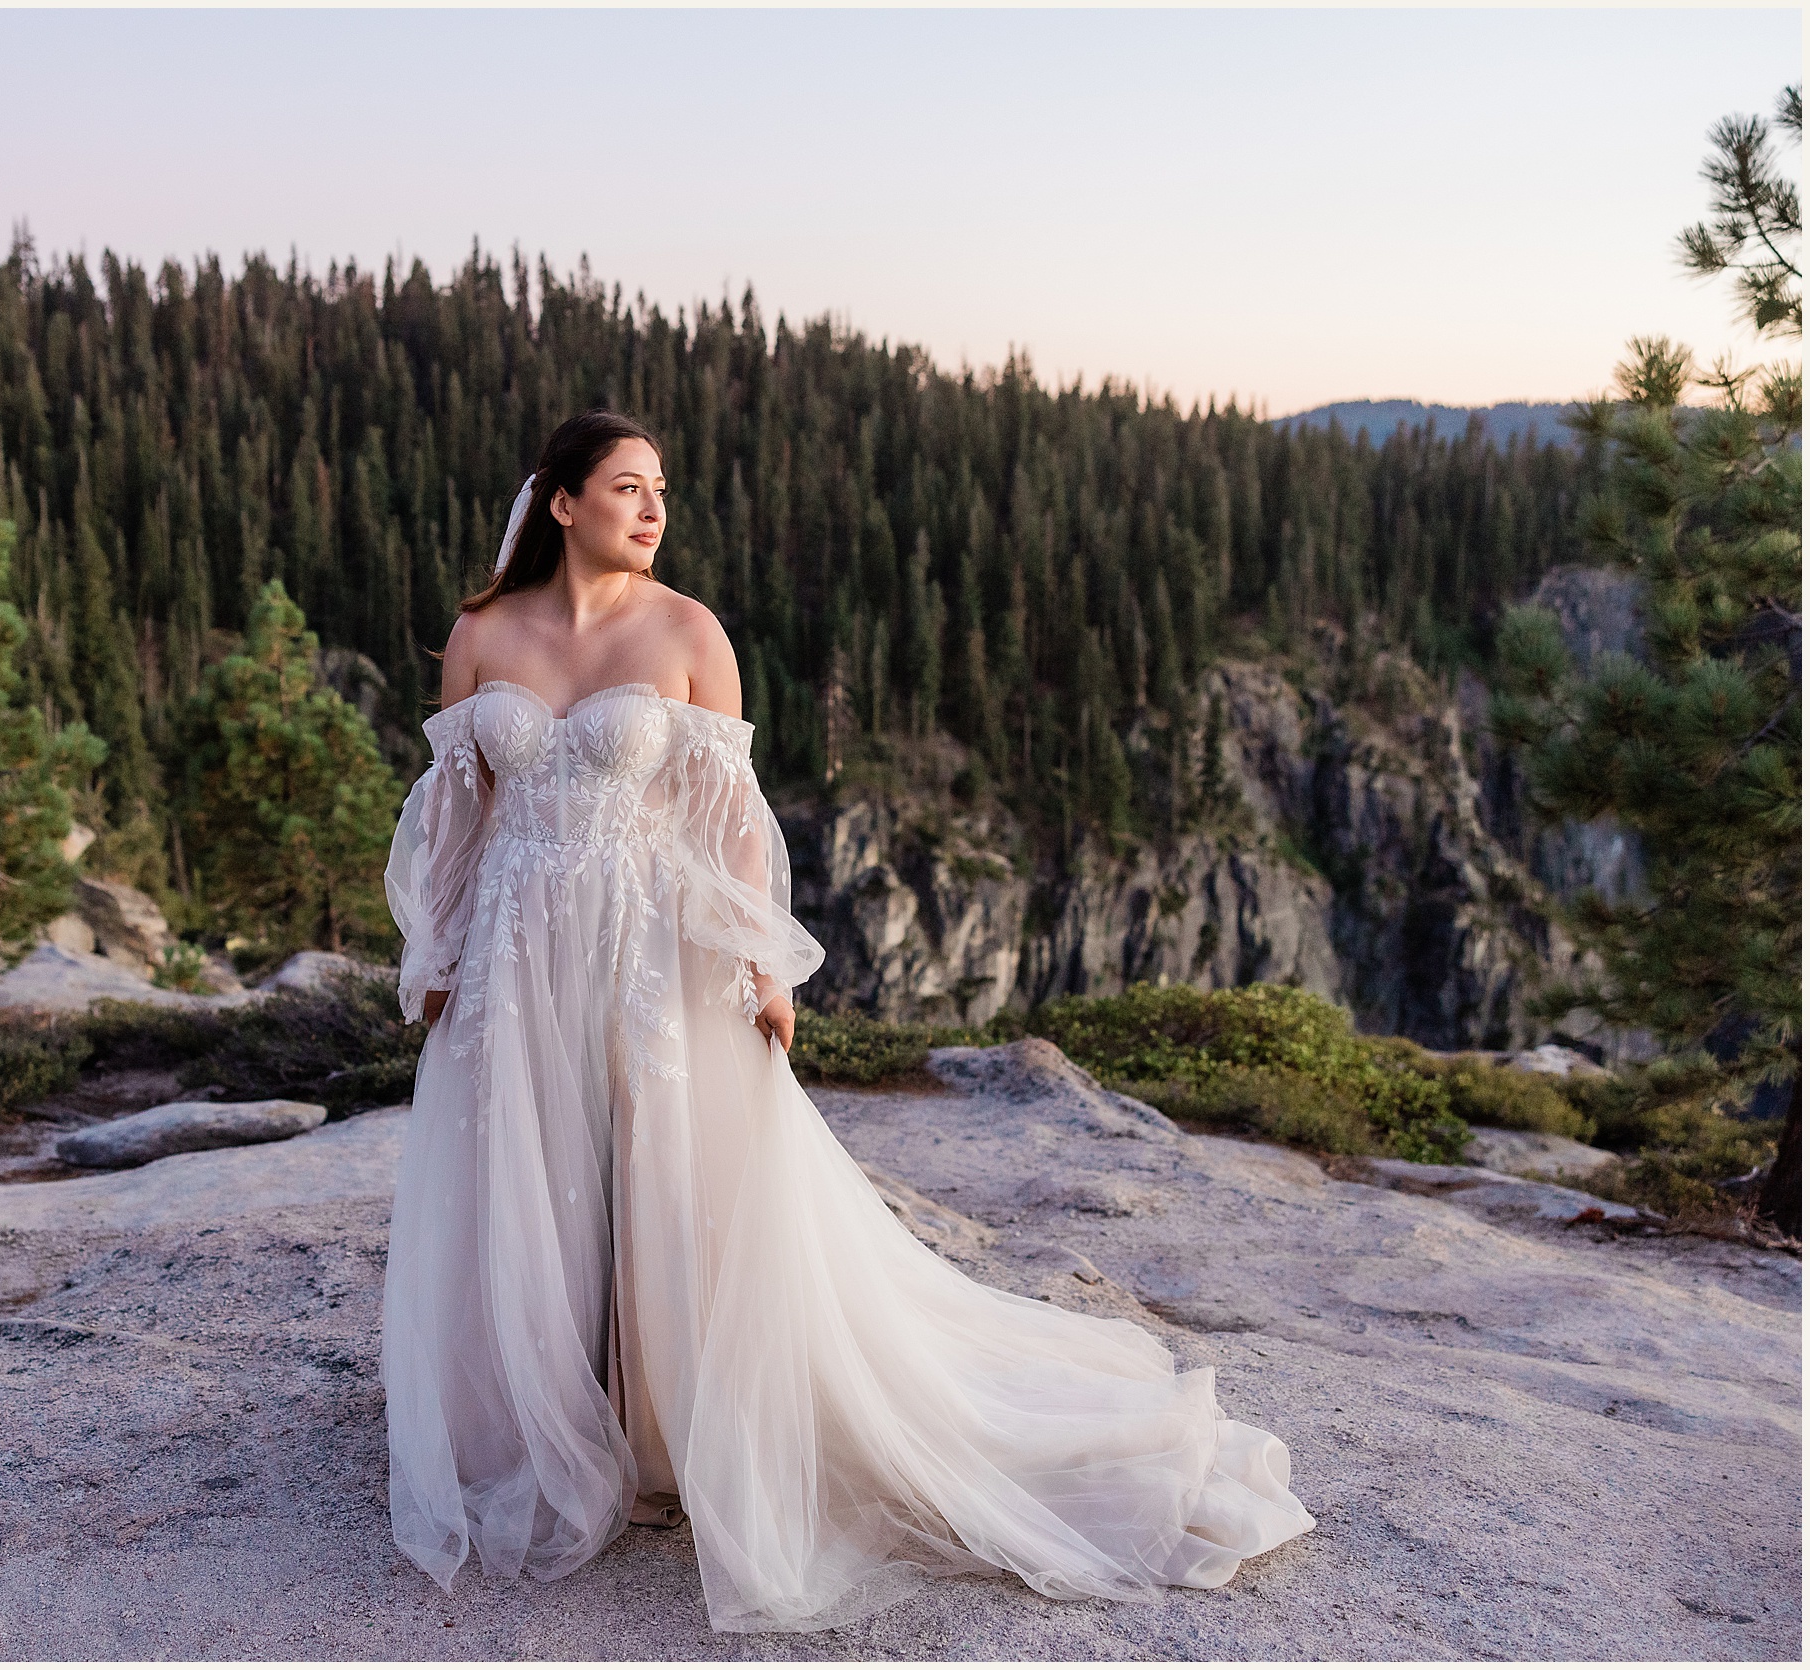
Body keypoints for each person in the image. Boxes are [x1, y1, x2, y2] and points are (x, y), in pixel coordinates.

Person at [380, 409, 1315, 1633]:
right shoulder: (481, 633)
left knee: (673, 1179)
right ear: (559, 502)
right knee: (533, 1175)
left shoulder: (687, 631)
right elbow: (455, 815)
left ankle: (669, 1425)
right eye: (625, 488)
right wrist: (435, 950)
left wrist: (762, 959)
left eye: (660, 489)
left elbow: (730, 816)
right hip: (516, 949)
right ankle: (545, 1418)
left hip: (654, 948)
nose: (652, 510)